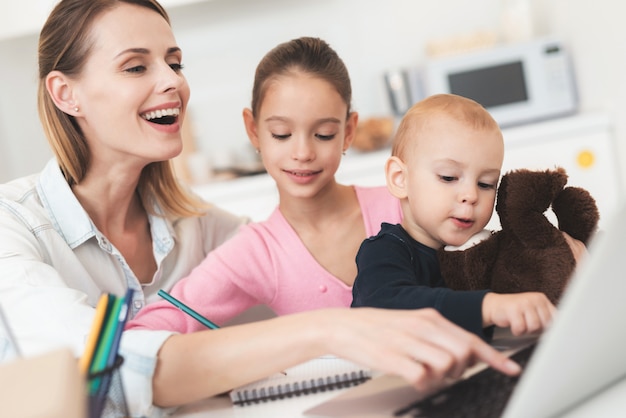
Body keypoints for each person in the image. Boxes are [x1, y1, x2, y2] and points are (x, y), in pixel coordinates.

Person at [0, 1, 521, 416]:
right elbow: (111, 371)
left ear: (348, 130)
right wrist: (331, 328)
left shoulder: (201, 229)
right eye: (137, 66)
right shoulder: (14, 225)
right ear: (66, 94)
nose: (173, 82)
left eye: (175, 63)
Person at [126, 36, 402, 332]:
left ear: (348, 132)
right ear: (253, 130)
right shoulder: (257, 253)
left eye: (323, 134)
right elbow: (156, 325)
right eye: (282, 134)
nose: (303, 154)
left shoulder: (401, 207)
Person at [351, 94, 587, 339]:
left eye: (485, 184)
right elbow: (387, 306)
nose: (471, 195)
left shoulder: (485, 254)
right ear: (400, 179)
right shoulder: (384, 251)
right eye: (449, 177)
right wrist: (488, 306)